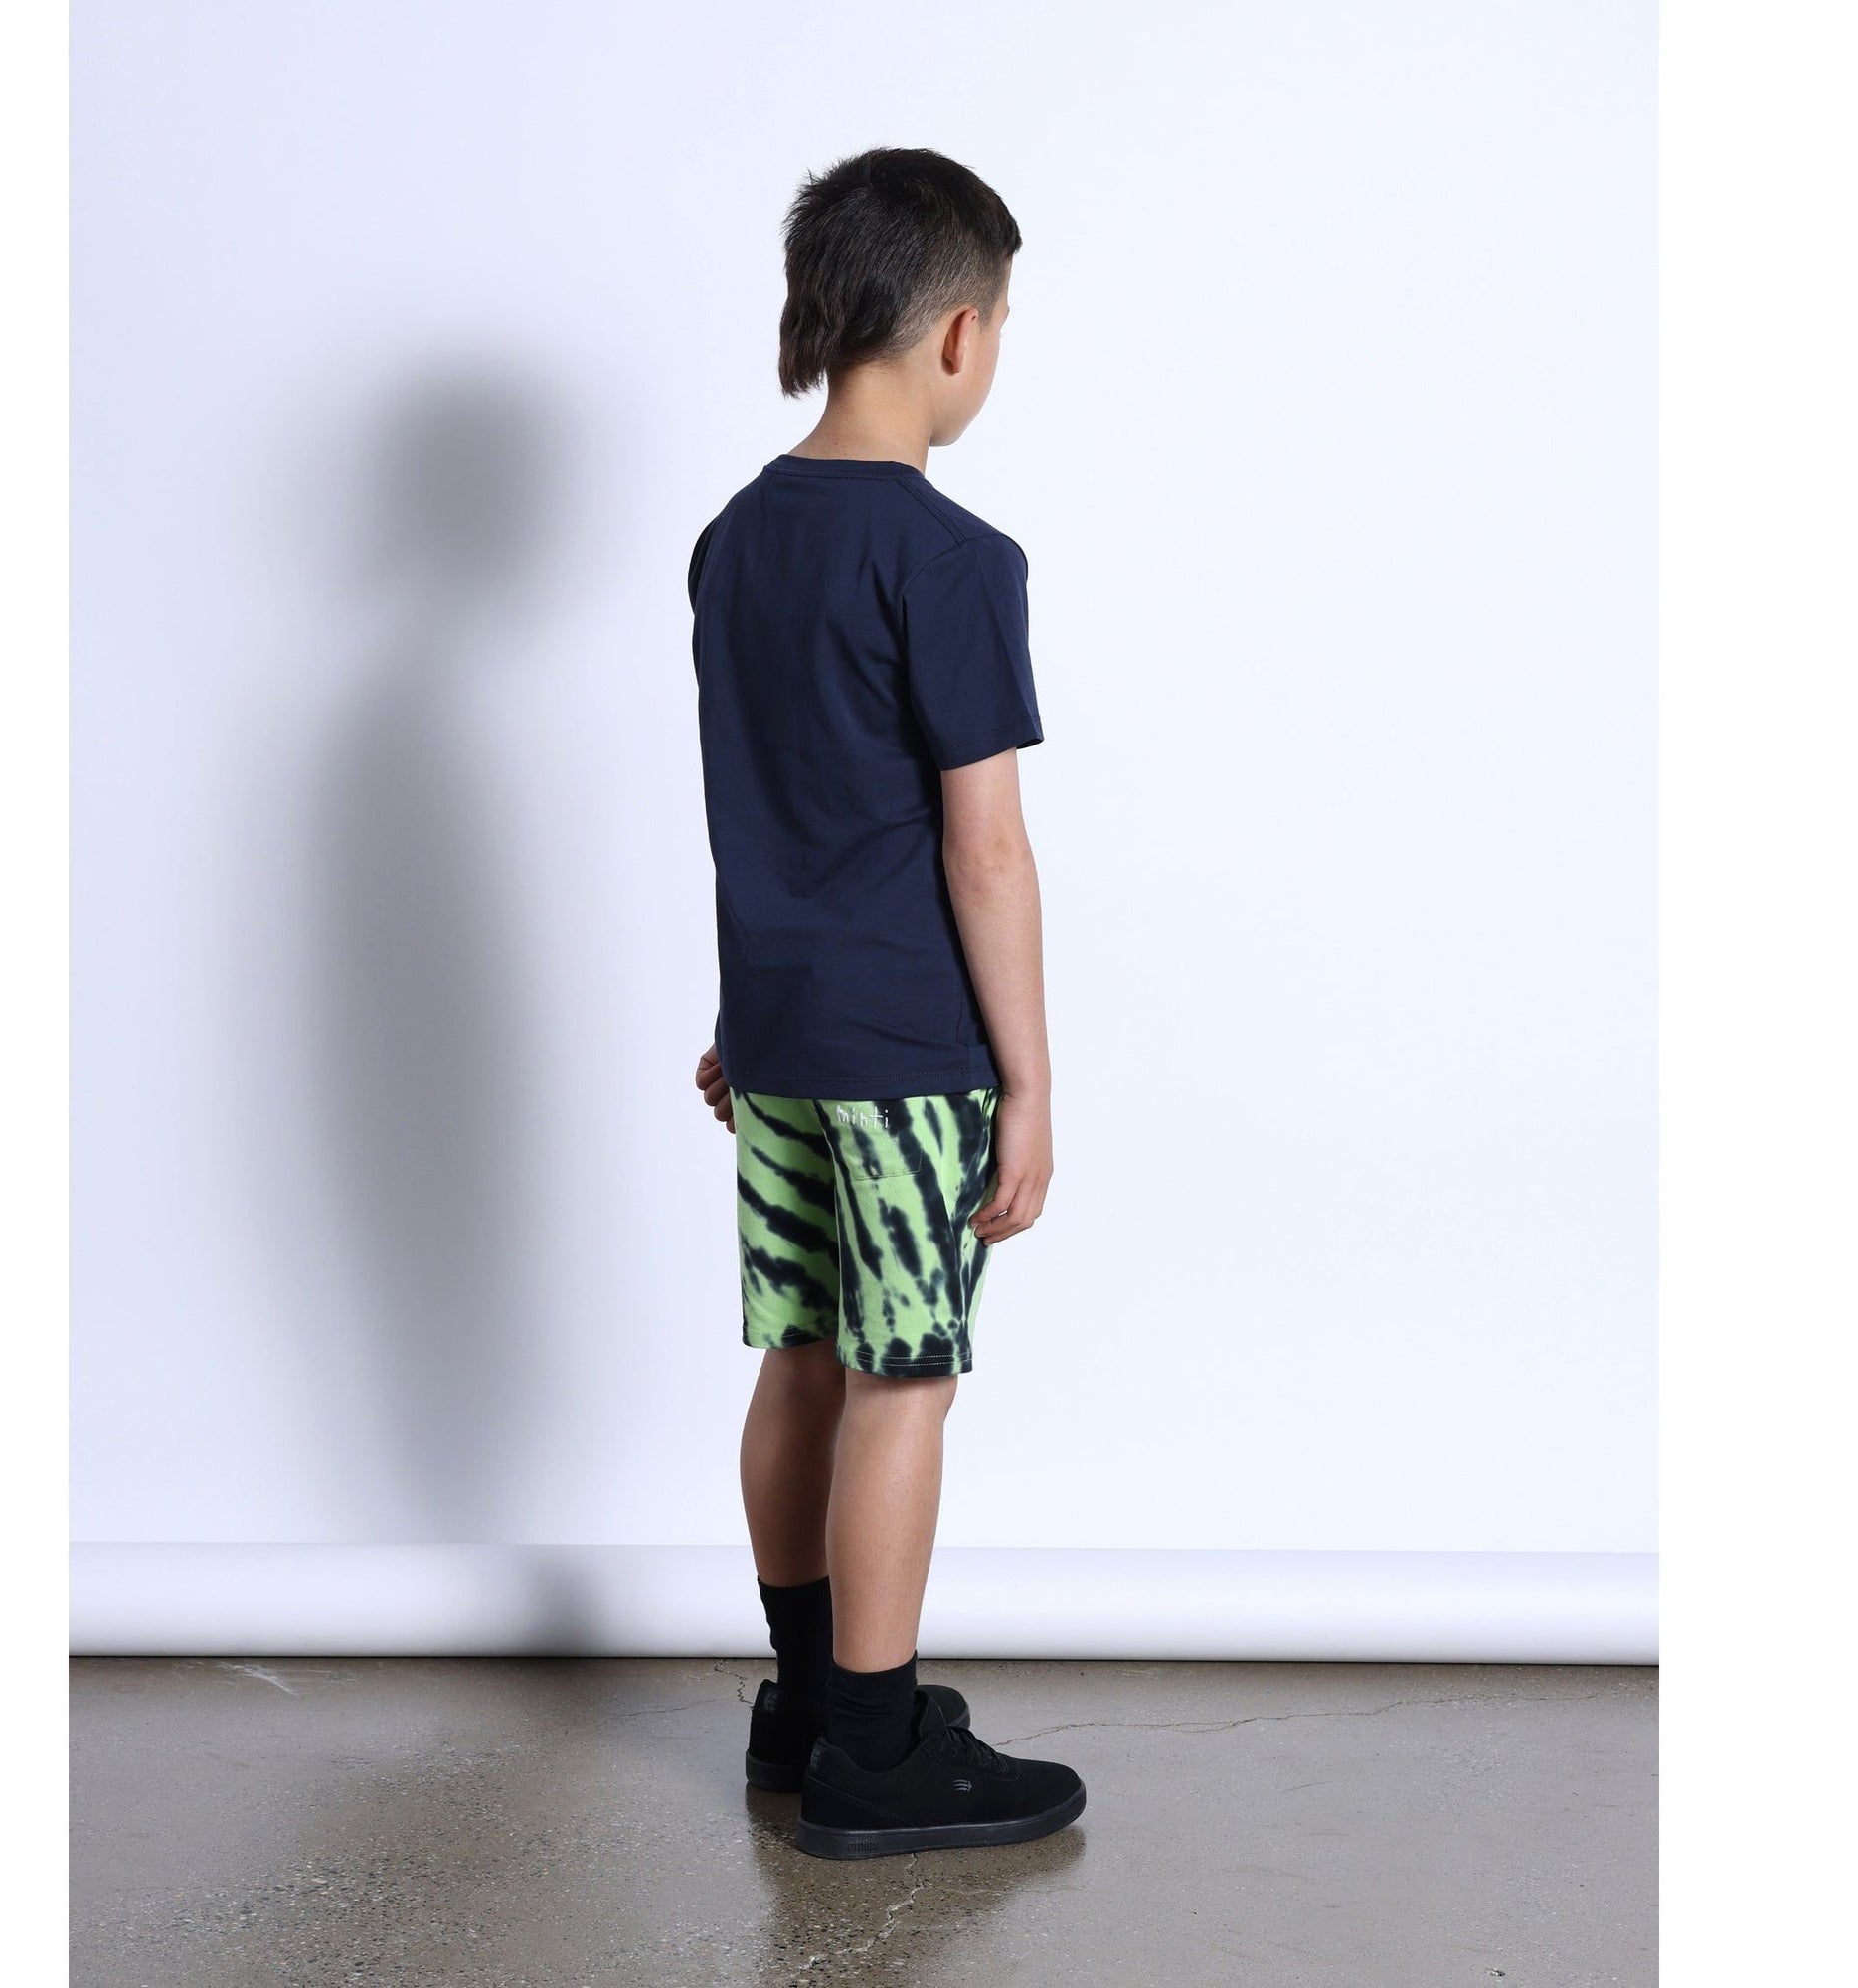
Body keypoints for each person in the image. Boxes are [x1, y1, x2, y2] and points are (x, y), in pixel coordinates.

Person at [686, 148, 1084, 1859]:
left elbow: (767, 802)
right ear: (959, 332)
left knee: (800, 1353)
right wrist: (1030, 1083)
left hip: (775, 1041)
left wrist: (747, 1018)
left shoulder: (732, 541)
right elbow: (984, 851)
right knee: (901, 1378)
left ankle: (803, 1704)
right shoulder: (953, 557)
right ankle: (875, 1746)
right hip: (909, 1052)